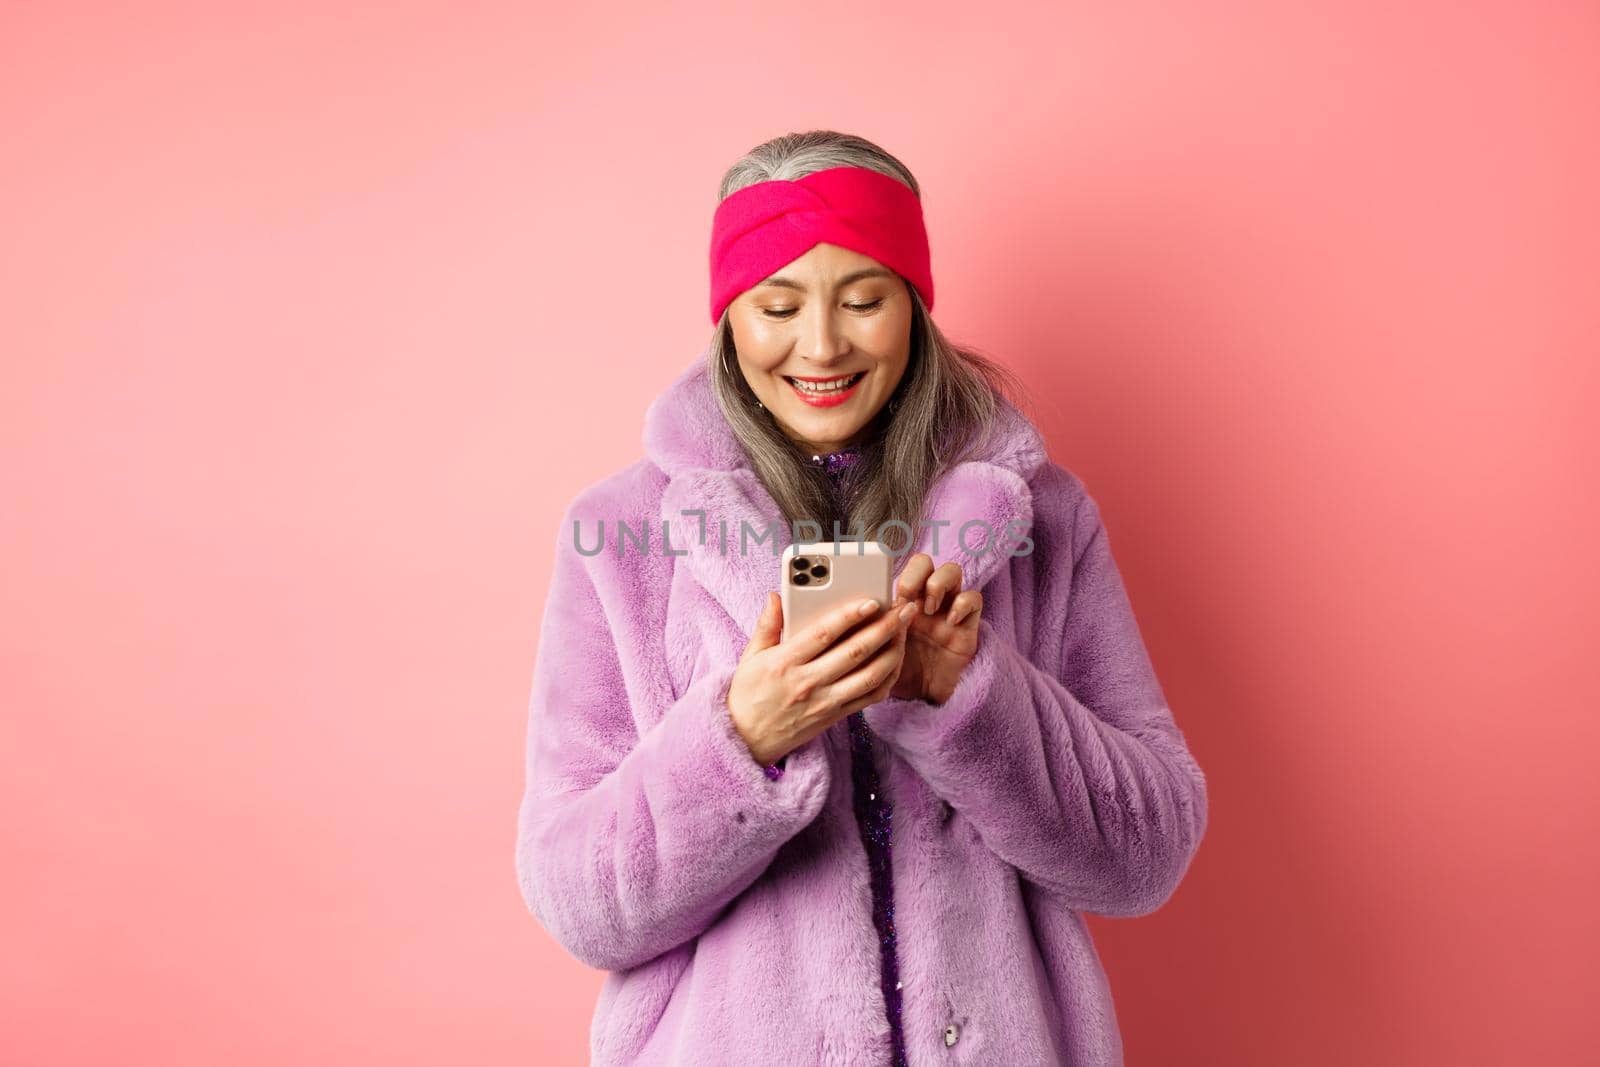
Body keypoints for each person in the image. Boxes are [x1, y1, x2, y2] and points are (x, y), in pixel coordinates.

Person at [515, 129, 1209, 1067]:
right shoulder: (621, 536)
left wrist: (971, 697)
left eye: (863, 298)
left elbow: (1147, 855)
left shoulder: (1042, 517)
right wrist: (739, 742)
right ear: (731, 319)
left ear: (914, 305)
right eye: (778, 304)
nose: (822, 343)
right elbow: (577, 900)